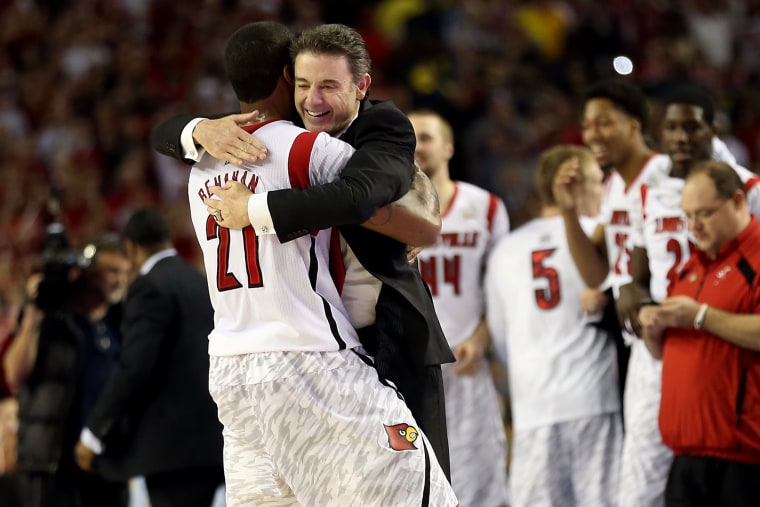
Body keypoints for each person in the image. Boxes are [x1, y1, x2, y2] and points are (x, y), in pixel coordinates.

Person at [151, 22, 455, 477]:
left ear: (361, 87)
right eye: (304, 84)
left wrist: (254, 209)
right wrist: (198, 130)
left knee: (421, 485)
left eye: (329, 86)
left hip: (392, 342)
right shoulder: (289, 131)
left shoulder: (383, 126)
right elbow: (163, 132)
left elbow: (364, 198)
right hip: (324, 351)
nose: (313, 100)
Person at [555, 78, 672, 507]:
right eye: (587, 125)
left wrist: (635, 287)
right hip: (632, 337)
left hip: (666, 332)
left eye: (605, 122)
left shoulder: (664, 174)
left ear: (635, 124)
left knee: (649, 470)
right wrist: (568, 210)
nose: (593, 135)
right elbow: (596, 272)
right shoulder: (614, 185)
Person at [489, 145, 622, 506]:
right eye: (598, 180)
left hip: (533, 407)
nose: (604, 188)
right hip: (595, 401)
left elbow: (501, 341)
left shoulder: (506, 250)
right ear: (576, 186)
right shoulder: (604, 234)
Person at [72, 208, 224, 507]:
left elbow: (135, 367)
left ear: (131, 248)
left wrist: (94, 433)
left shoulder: (149, 286)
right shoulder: (200, 281)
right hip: (213, 442)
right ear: (167, 239)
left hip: (172, 453)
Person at [639, 160, 760, 506]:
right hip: (685, 456)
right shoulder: (691, 267)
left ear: (738, 202)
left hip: (742, 461)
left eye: (704, 213)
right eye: (687, 215)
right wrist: (653, 329)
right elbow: (667, 352)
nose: (694, 226)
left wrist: (701, 315)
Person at [408, 109, 511, 506]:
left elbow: (502, 289)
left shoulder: (485, 207)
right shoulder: (386, 208)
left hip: (468, 361)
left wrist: (483, 339)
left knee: (481, 477)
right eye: (412, 136)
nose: (418, 145)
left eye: (428, 137)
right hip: (411, 368)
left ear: (449, 147)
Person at [3, 234, 131, 507]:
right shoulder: (52, 317)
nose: (120, 280)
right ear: (88, 272)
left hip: (107, 467)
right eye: (111, 271)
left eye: (124, 272)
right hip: (56, 467)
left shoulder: (120, 322)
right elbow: (14, 374)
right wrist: (32, 320)